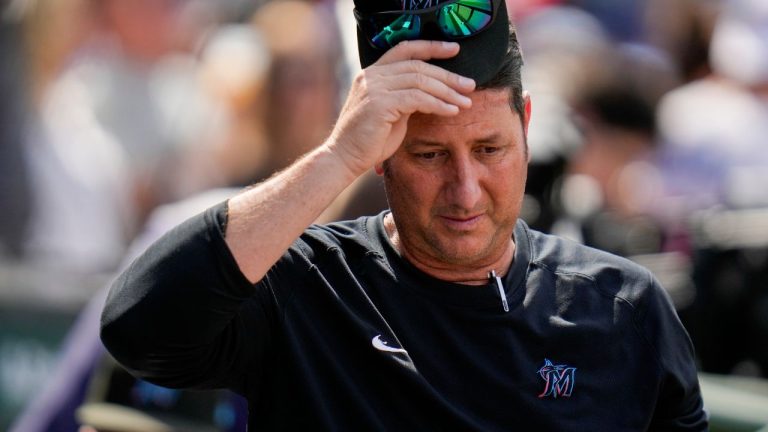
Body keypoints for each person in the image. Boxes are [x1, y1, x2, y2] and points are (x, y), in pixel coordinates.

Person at [101, 0, 708, 429]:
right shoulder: (309, 290)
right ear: (381, 153)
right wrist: (335, 157)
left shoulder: (621, 309)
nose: (466, 191)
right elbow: (138, 327)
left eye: (489, 150)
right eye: (430, 155)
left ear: (526, 123)